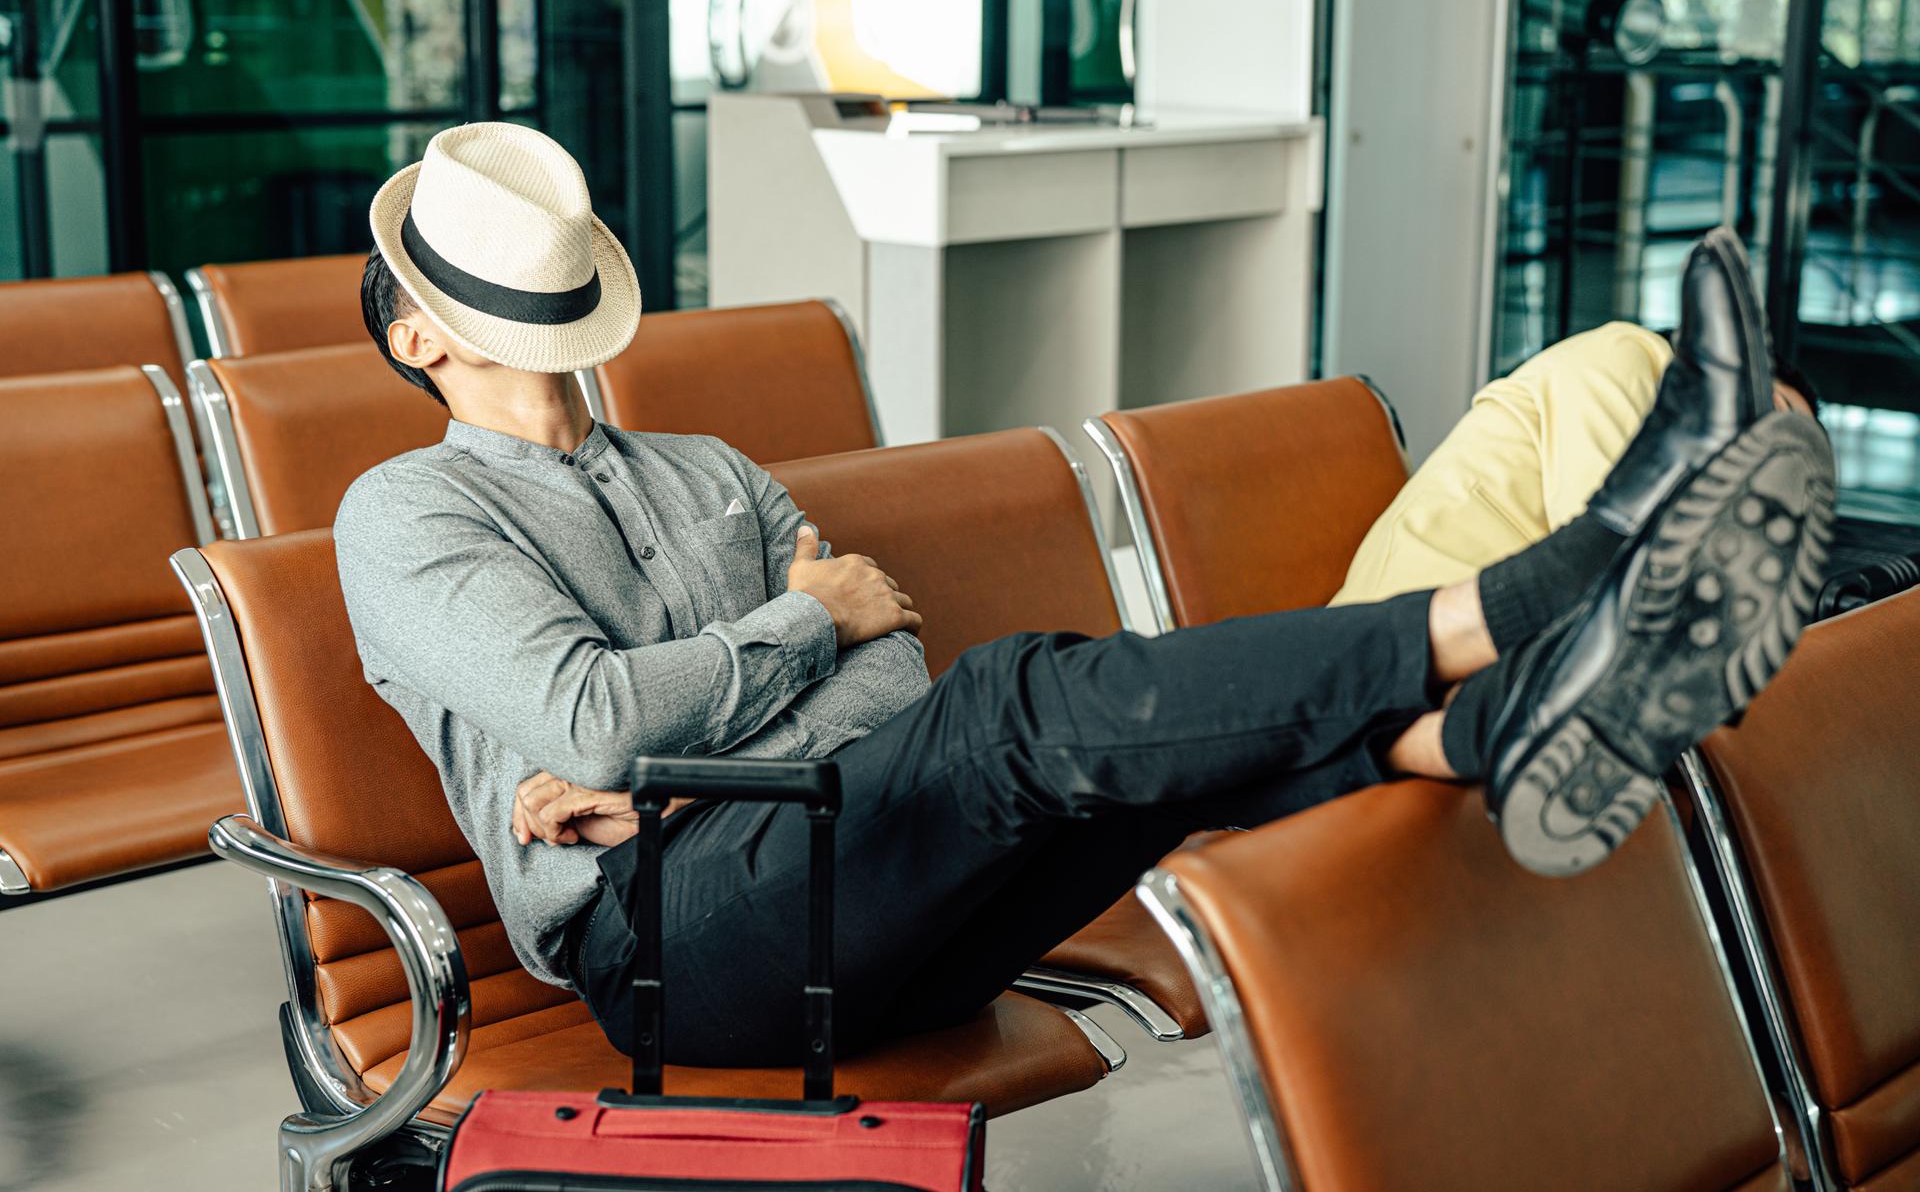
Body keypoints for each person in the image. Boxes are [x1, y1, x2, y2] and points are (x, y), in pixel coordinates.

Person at [334, 123, 1834, 1069]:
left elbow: (891, 674)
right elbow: (599, 718)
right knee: (1024, 706)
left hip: (862, 897)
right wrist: (804, 623)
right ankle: (1538, 601)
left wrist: (699, 749)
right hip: (674, 953)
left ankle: (1492, 729)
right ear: (415, 339)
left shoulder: (709, 465)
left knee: (1107, 761)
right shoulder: (405, 512)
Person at [1335, 320, 1820, 605]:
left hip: (1486, 620)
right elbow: (1612, 550)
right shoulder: (1629, 357)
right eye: (1776, 412)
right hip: (1416, 613)